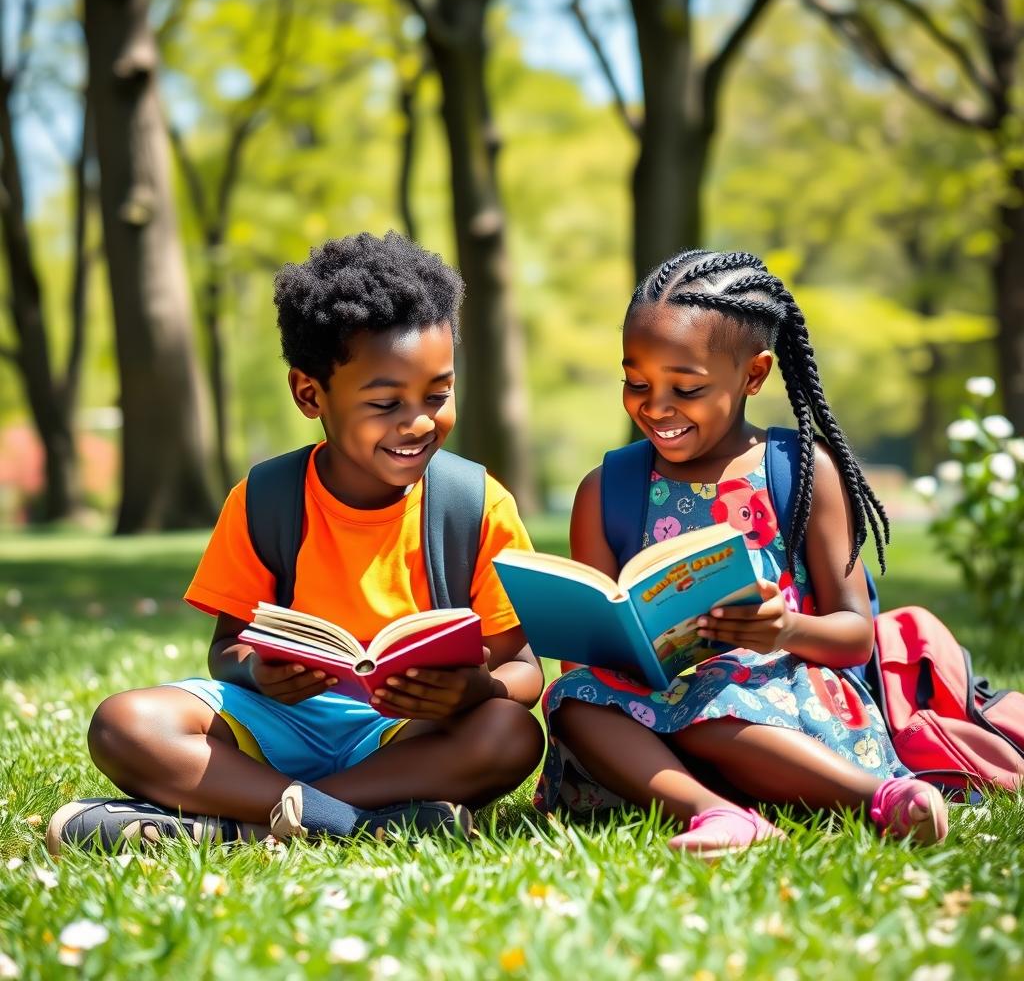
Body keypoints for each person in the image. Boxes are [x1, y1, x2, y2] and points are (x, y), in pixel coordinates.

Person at [48, 232, 544, 853]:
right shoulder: (265, 499)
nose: (418, 421)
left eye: (437, 395)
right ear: (310, 394)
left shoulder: (475, 504)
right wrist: (260, 671)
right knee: (126, 724)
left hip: (406, 737)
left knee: (510, 733)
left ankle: (247, 820)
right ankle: (357, 822)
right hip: (281, 723)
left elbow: (524, 672)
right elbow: (225, 651)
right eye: (386, 402)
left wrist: (475, 690)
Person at [534, 248, 948, 856]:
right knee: (571, 700)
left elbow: (856, 632)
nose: (657, 407)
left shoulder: (802, 473)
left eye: (687, 387)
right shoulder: (606, 490)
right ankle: (718, 815)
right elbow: (586, 653)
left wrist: (784, 628)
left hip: (777, 708)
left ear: (753, 376)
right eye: (637, 383)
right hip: (654, 720)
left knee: (714, 694)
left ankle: (878, 800)